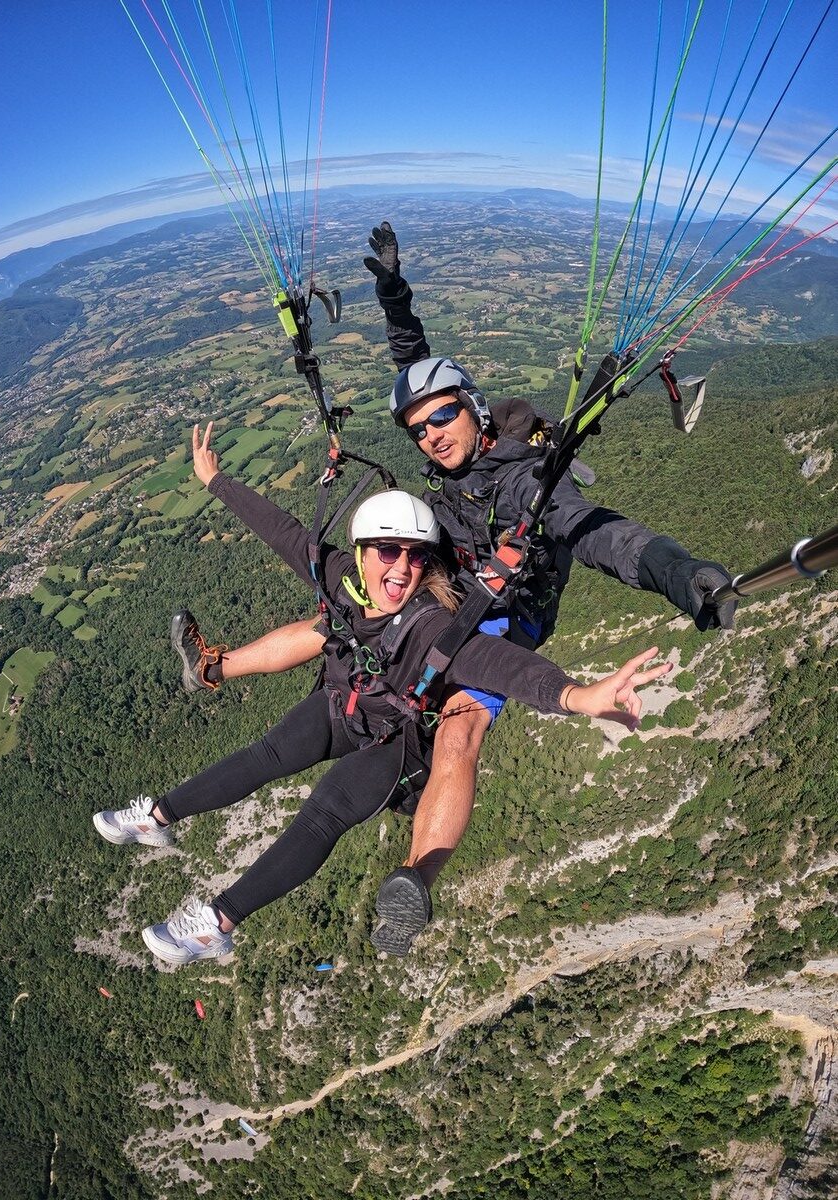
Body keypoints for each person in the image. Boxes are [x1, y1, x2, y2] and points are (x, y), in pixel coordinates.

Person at [172, 222, 734, 955]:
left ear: (473, 407)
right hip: (439, 592)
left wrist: (680, 574)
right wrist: (391, 291)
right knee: (340, 611)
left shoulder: (534, 483)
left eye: (444, 417)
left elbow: (608, 537)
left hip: (499, 623)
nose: (432, 434)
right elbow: (414, 362)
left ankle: (415, 884)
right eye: (419, 429)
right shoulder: (447, 453)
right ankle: (210, 668)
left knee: (461, 729)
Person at [94, 424, 671, 966]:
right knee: (266, 754)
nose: (403, 569)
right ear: (363, 552)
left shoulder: (430, 626)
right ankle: (157, 816)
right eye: (389, 553)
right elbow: (284, 533)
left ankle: (215, 925)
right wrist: (215, 480)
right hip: (348, 702)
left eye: (417, 556)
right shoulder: (343, 581)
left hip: (396, 739)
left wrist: (579, 696)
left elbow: (505, 666)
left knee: (321, 814)